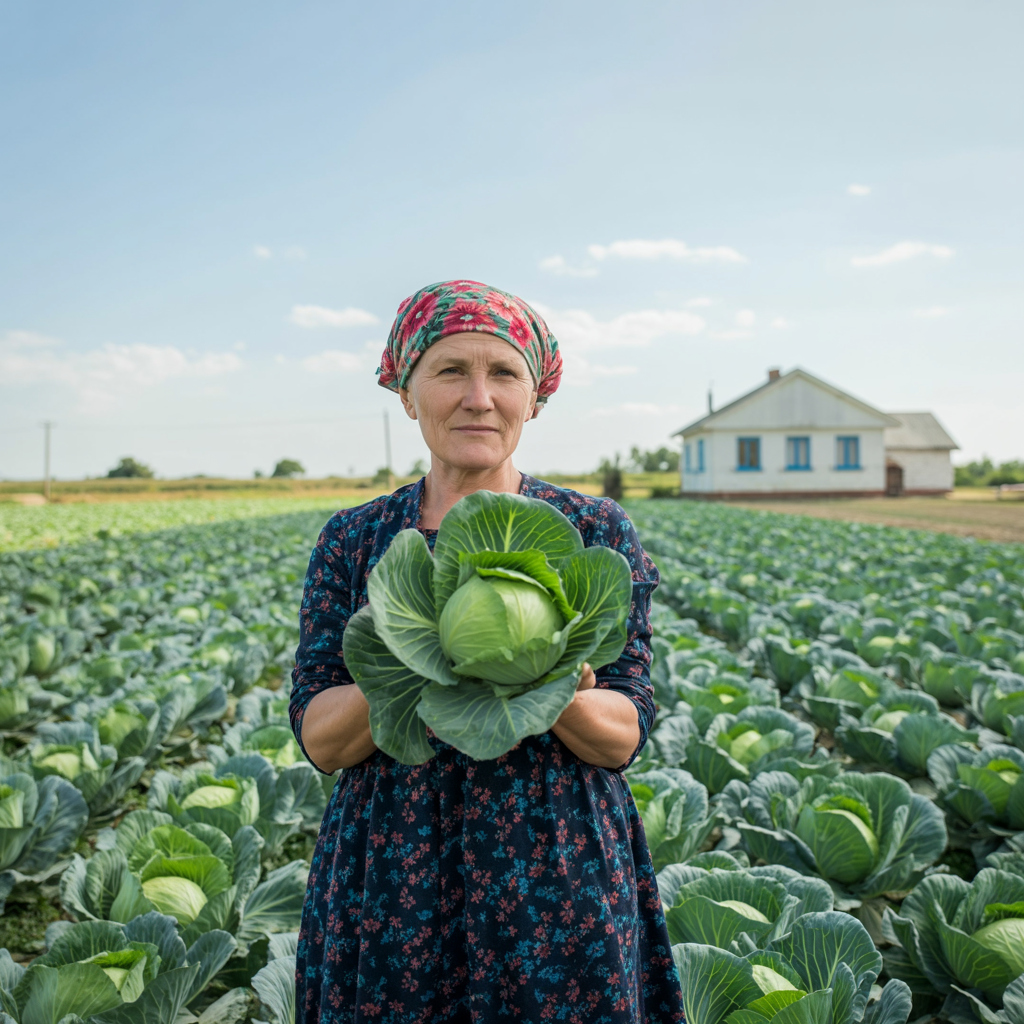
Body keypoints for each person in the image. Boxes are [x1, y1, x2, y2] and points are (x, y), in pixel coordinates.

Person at [289, 280, 685, 1023]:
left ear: (534, 397)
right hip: (392, 870)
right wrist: (415, 652)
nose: (479, 397)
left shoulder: (594, 528)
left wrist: (544, 680)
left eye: (503, 373)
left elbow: (624, 731)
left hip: (556, 867)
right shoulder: (354, 538)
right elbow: (321, 736)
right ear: (407, 394)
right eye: (449, 371)